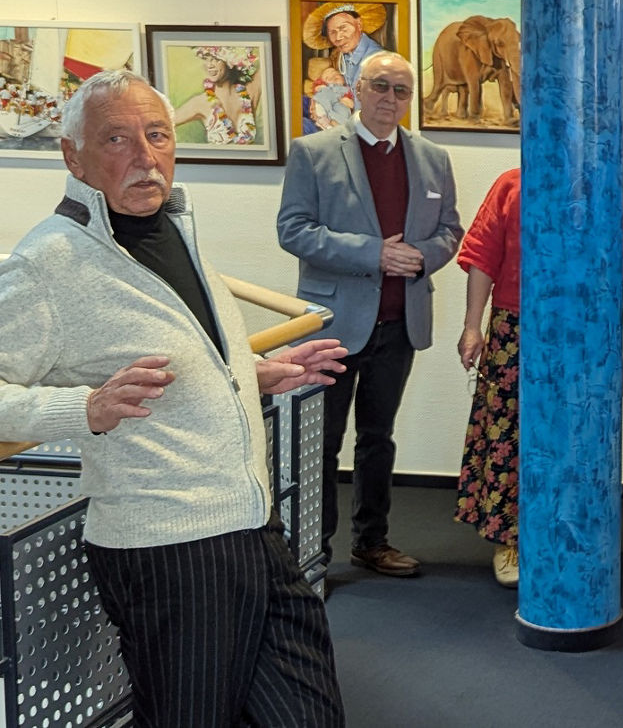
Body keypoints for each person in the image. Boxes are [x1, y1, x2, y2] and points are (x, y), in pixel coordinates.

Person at [0, 69, 346, 725]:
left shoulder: (171, 228)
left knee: (309, 716)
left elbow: (187, 351)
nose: (144, 155)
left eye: (156, 135)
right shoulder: (49, 262)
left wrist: (254, 372)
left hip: (252, 528)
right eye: (117, 139)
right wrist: (83, 411)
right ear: (73, 155)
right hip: (168, 552)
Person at [278, 51, 463, 579]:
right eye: (380, 86)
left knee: (378, 439)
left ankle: (372, 542)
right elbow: (293, 230)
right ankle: (312, 555)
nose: (390, 98)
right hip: (332, 325)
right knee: (324, 443)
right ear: (357, 89)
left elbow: (450, 229)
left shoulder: (432, 158)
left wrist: (423, 256)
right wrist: (373, 253)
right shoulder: (312, 152)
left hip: (399, 323)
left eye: (402, 90)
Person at [455, 168, 623, 586]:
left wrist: (588, 264)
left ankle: (575, 534)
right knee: (512, 433)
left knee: (579, 434)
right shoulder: (509, 184)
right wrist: (472, 326)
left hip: (584, 329)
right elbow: (482, 255)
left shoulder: (603, 183)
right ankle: (512, 540)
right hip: (516, 326)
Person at [171, 45, 262, 145]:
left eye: (215, 59)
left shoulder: (249, 93)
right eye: (206, 58)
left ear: (231, 62)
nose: (209, 65)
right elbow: (162, 122)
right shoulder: (201, 102)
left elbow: (271, 55)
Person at [321, 4, 384, 90]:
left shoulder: (376, 60)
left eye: (343, 28)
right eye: (332, 32)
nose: (338, 37)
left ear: (359, 24)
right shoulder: (342, 56)